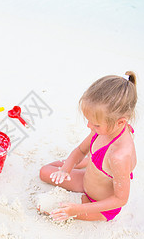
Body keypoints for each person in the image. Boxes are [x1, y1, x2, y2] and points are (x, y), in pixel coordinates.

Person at [39, 71, 138, 221]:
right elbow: (80, 150)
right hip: (87, 179)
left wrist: (77, 209)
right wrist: (65, 170)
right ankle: (91, 163)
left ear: (121, 122)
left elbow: (120, 199)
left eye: (95, 124)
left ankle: (93, 164)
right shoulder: (105, 128)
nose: (89, 126)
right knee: (44, 172)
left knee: (44, 206)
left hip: (99, 204)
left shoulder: (119, 156)